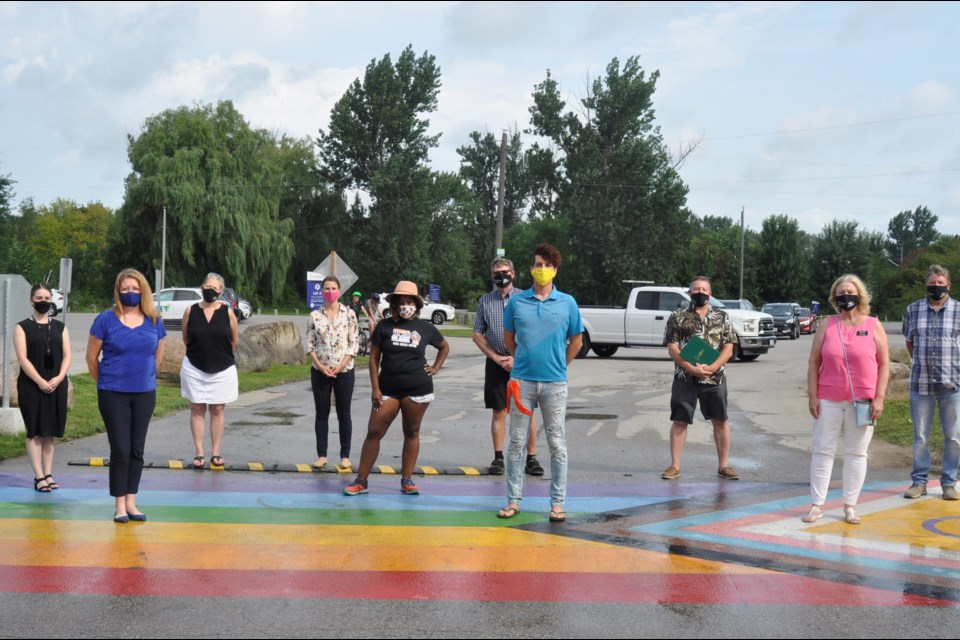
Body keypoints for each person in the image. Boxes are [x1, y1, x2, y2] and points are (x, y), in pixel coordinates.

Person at [496, 244, 582, 522]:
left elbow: (577, 341)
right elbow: (509, 337)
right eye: (537, 264)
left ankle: (557, 504)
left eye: (547, 265)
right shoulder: (518, 302)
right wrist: (519, 359)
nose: (542, 269)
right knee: (516, 443)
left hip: (555, 384)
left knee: (557, 443)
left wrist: (559, 365)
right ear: (531, 268)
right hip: (521, 382)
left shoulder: (567, 302)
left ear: (555, 270)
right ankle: (513, 500)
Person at [343, 281, 449, 496]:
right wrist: (375, 388)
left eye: (410, 301)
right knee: (374, 432)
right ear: (395, 304)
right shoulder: (384, 326)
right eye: (402, 301)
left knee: (411, 432)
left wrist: (436, 367)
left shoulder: (426, 328)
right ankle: (361, 481)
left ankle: (407, 480)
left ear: (417, 305)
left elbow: (444, 346)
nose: (406, 305)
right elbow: (373, 358)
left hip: (418, 389)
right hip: (387, 389)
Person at [804, 274, 889, 524]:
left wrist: (879, 397)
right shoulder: (827, 324)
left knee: (857, 453)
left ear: (859, 296)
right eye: (840, 292)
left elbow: (884, 364)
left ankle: (850, 505)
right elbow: (813, 362)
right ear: (834, 298)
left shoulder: (873, 324)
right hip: (828, 398)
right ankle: (817, 504)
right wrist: (813, 395)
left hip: (863, 401)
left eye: (850, 292)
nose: (845, 296)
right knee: (822, 451)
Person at [86, 268, 165, 523]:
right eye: (125, 289)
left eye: (135, 288)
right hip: (113, 393)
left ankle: (132, 501)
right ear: (118, 291)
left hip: (144, 393)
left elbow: (158, 355)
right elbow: (91, 357)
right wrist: (106, 381)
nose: (130, 293)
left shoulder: (154, 320)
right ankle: (119, 504)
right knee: (120, 448)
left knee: (136, 449)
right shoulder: (105, 319)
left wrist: (146, 377)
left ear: (143, 290)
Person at [661, 276, 738, 481]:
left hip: (715, 379)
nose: (700, 292)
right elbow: (672, 348)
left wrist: (712, 367)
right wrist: (690, 368)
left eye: (704, 289)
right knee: (679, 421)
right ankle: (674, 466)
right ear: (689, 293)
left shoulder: (722, 317)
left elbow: (728, 348)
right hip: (684, 378)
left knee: (720, 421)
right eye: (696, 289)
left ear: (710, 293)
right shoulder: (677, 317)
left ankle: (724, 466)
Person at [473, 257, 542, 476]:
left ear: (513, 273)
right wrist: (495, 357)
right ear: (492, 276)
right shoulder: (485, 301)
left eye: (505, 271)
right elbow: (477, 334)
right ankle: (498, 458)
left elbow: (535, 331)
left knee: (526, 411)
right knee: (499, 412)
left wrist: (516, 357)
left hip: (522, 362)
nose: (501, 276)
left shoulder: (526, 298)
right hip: (496, 363)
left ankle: (531, 458)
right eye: (496, 273)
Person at [902, 264, 960, 501]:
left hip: (952, 385)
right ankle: (919, 482)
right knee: (921, 438)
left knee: (954, 437)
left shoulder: (958, 310)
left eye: (940, 283)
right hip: (921, 385)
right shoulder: (913, 309)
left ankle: (949, 483)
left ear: (949, 284)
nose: (936, 287)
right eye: (932, 283)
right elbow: (909, 342)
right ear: (926, 284)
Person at [14, 283, 71, 493]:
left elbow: (67, 355)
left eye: (47, 297)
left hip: (56, 383)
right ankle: (38, 476)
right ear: (31, 300)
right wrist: (39, 381)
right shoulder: (22, 327)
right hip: (32, 384)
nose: (43, 301)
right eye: (39, 298)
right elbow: (22, 358)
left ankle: (48, 473)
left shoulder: (60, 327)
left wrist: (59, 377)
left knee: (49, 432)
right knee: (35, 431)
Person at [180, 273, 239, 469]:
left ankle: (215, 452)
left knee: (217, 409)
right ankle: (199, 453)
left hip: (222, 368)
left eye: (214, 287)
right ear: (201, 287)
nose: (210, 290)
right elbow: (186, 339)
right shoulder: (190, 311)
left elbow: (234, 341)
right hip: (195, 367)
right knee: (197, 409)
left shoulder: (227, 312)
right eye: (207, 285)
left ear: (221, 292)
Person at [307, 275, 359, 470]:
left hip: (343, 370)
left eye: (333, 288)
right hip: (320, 371)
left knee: (344, 414)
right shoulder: (315, 316)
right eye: (326, 288)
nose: (330, 292)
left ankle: (345, 456)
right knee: (322, 413)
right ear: (322, 291)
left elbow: (354, 345)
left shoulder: (349, 314)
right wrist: (321, 366)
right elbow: (310, 345)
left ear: (339, 290)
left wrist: (339, 366)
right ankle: (322, 455)